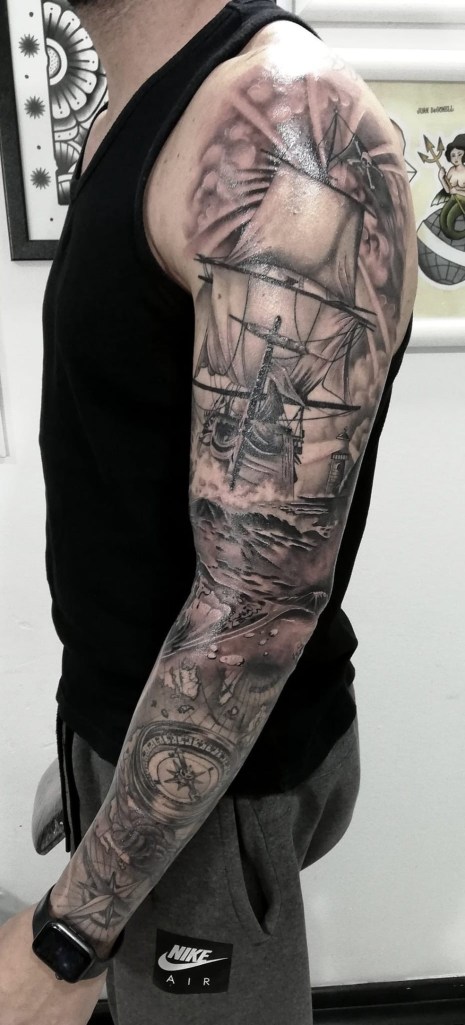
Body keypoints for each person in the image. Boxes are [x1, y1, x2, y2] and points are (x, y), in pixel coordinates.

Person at [0, 1, 418, 1023]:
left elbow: (254, 610)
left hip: (213, 787)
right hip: (152, 740)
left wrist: (69, 933)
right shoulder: (137, 111)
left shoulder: (285, 127)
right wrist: (94, 744)